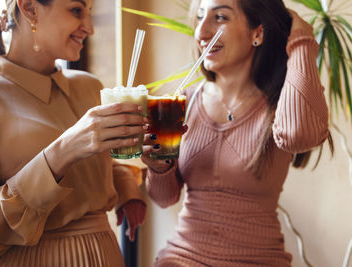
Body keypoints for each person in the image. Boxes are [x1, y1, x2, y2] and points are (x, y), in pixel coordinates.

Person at [141, 0, 331, 266]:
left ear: (258, 33)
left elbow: (300, 135)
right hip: (183, 257)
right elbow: (164, 198)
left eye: (220, 17)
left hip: (258, 260)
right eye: (199, 16)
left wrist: (300, 38)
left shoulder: (280, 105)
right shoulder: (183, 102)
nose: (201, 31)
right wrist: (158, 168)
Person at [0, 0, 147, 266]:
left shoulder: (90, 86)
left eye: (89, 14)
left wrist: (128, 192)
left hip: (106, 253)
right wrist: (64, 149)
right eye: (77, 11)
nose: (89, 28)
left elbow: (100, 164)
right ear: (30, 8)